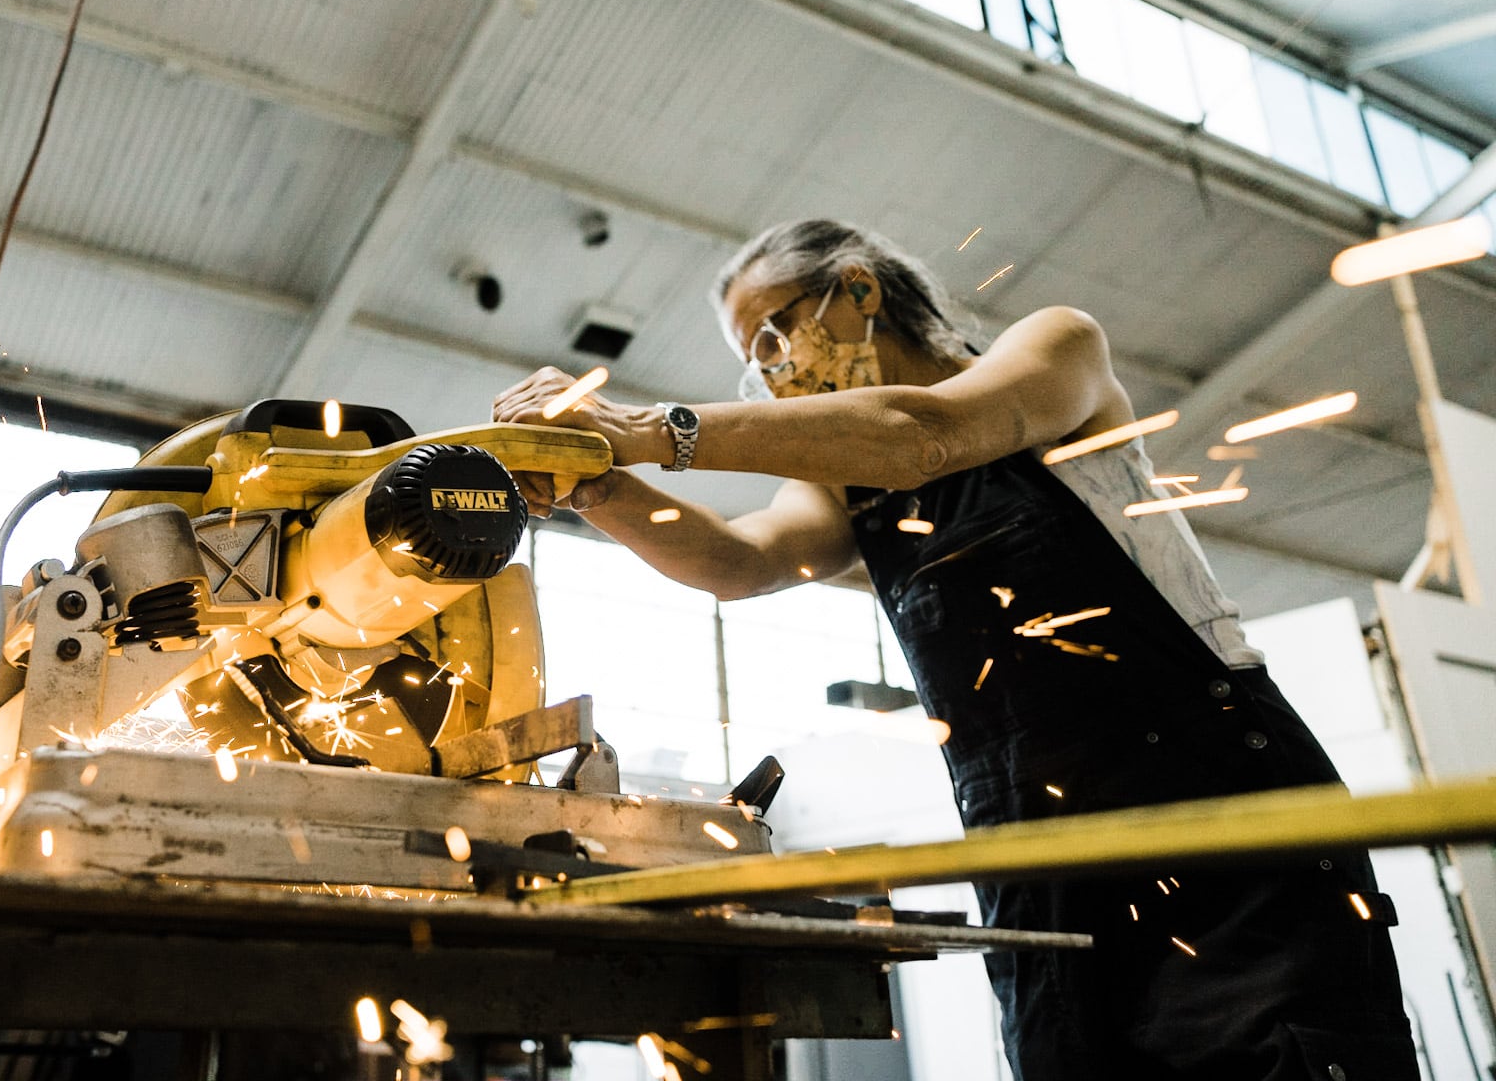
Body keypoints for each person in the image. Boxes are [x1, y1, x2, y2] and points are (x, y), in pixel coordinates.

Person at [491, 219, 1416, 1080]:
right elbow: (741, 562)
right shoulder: (849, 480)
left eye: (773, 337)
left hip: (1207, 796)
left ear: (856, 291)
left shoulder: (1055, 352)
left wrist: (649, 431)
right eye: (752, 364)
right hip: (1031, 837)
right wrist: (594, 484)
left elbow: (925, 436)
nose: (770, 374)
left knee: (1286, 1053)